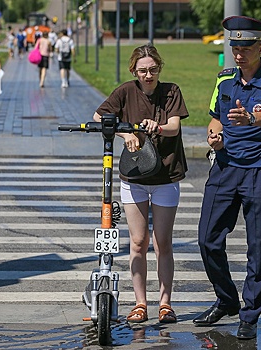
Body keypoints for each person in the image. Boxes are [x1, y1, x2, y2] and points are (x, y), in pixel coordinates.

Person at [193, 16, 261, 340]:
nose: (239, 53)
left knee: (257, 246)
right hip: (225, 168)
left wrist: (252, 117)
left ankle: (249, 315)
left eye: (245, 47)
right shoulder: (224, 81)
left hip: (259, 170)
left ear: (260, 47)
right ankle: (226, 299)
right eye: (234, 47)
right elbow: (215, 120)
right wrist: (214, 136)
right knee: (208, 239)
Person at [92, 44, 189, 324]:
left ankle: (165, 303)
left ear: (160, 68)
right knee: (137, 242)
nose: (148, 75)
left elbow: (174, 126)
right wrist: (125, 133)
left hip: (165, 176)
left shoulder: (171, 91)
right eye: (143, 70)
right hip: (134, 176)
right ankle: (140, 303)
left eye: (153, 69)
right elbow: (100, 117)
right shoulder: (125, 91)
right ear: (134, 70)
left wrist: (155, 127)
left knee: (162, 242)